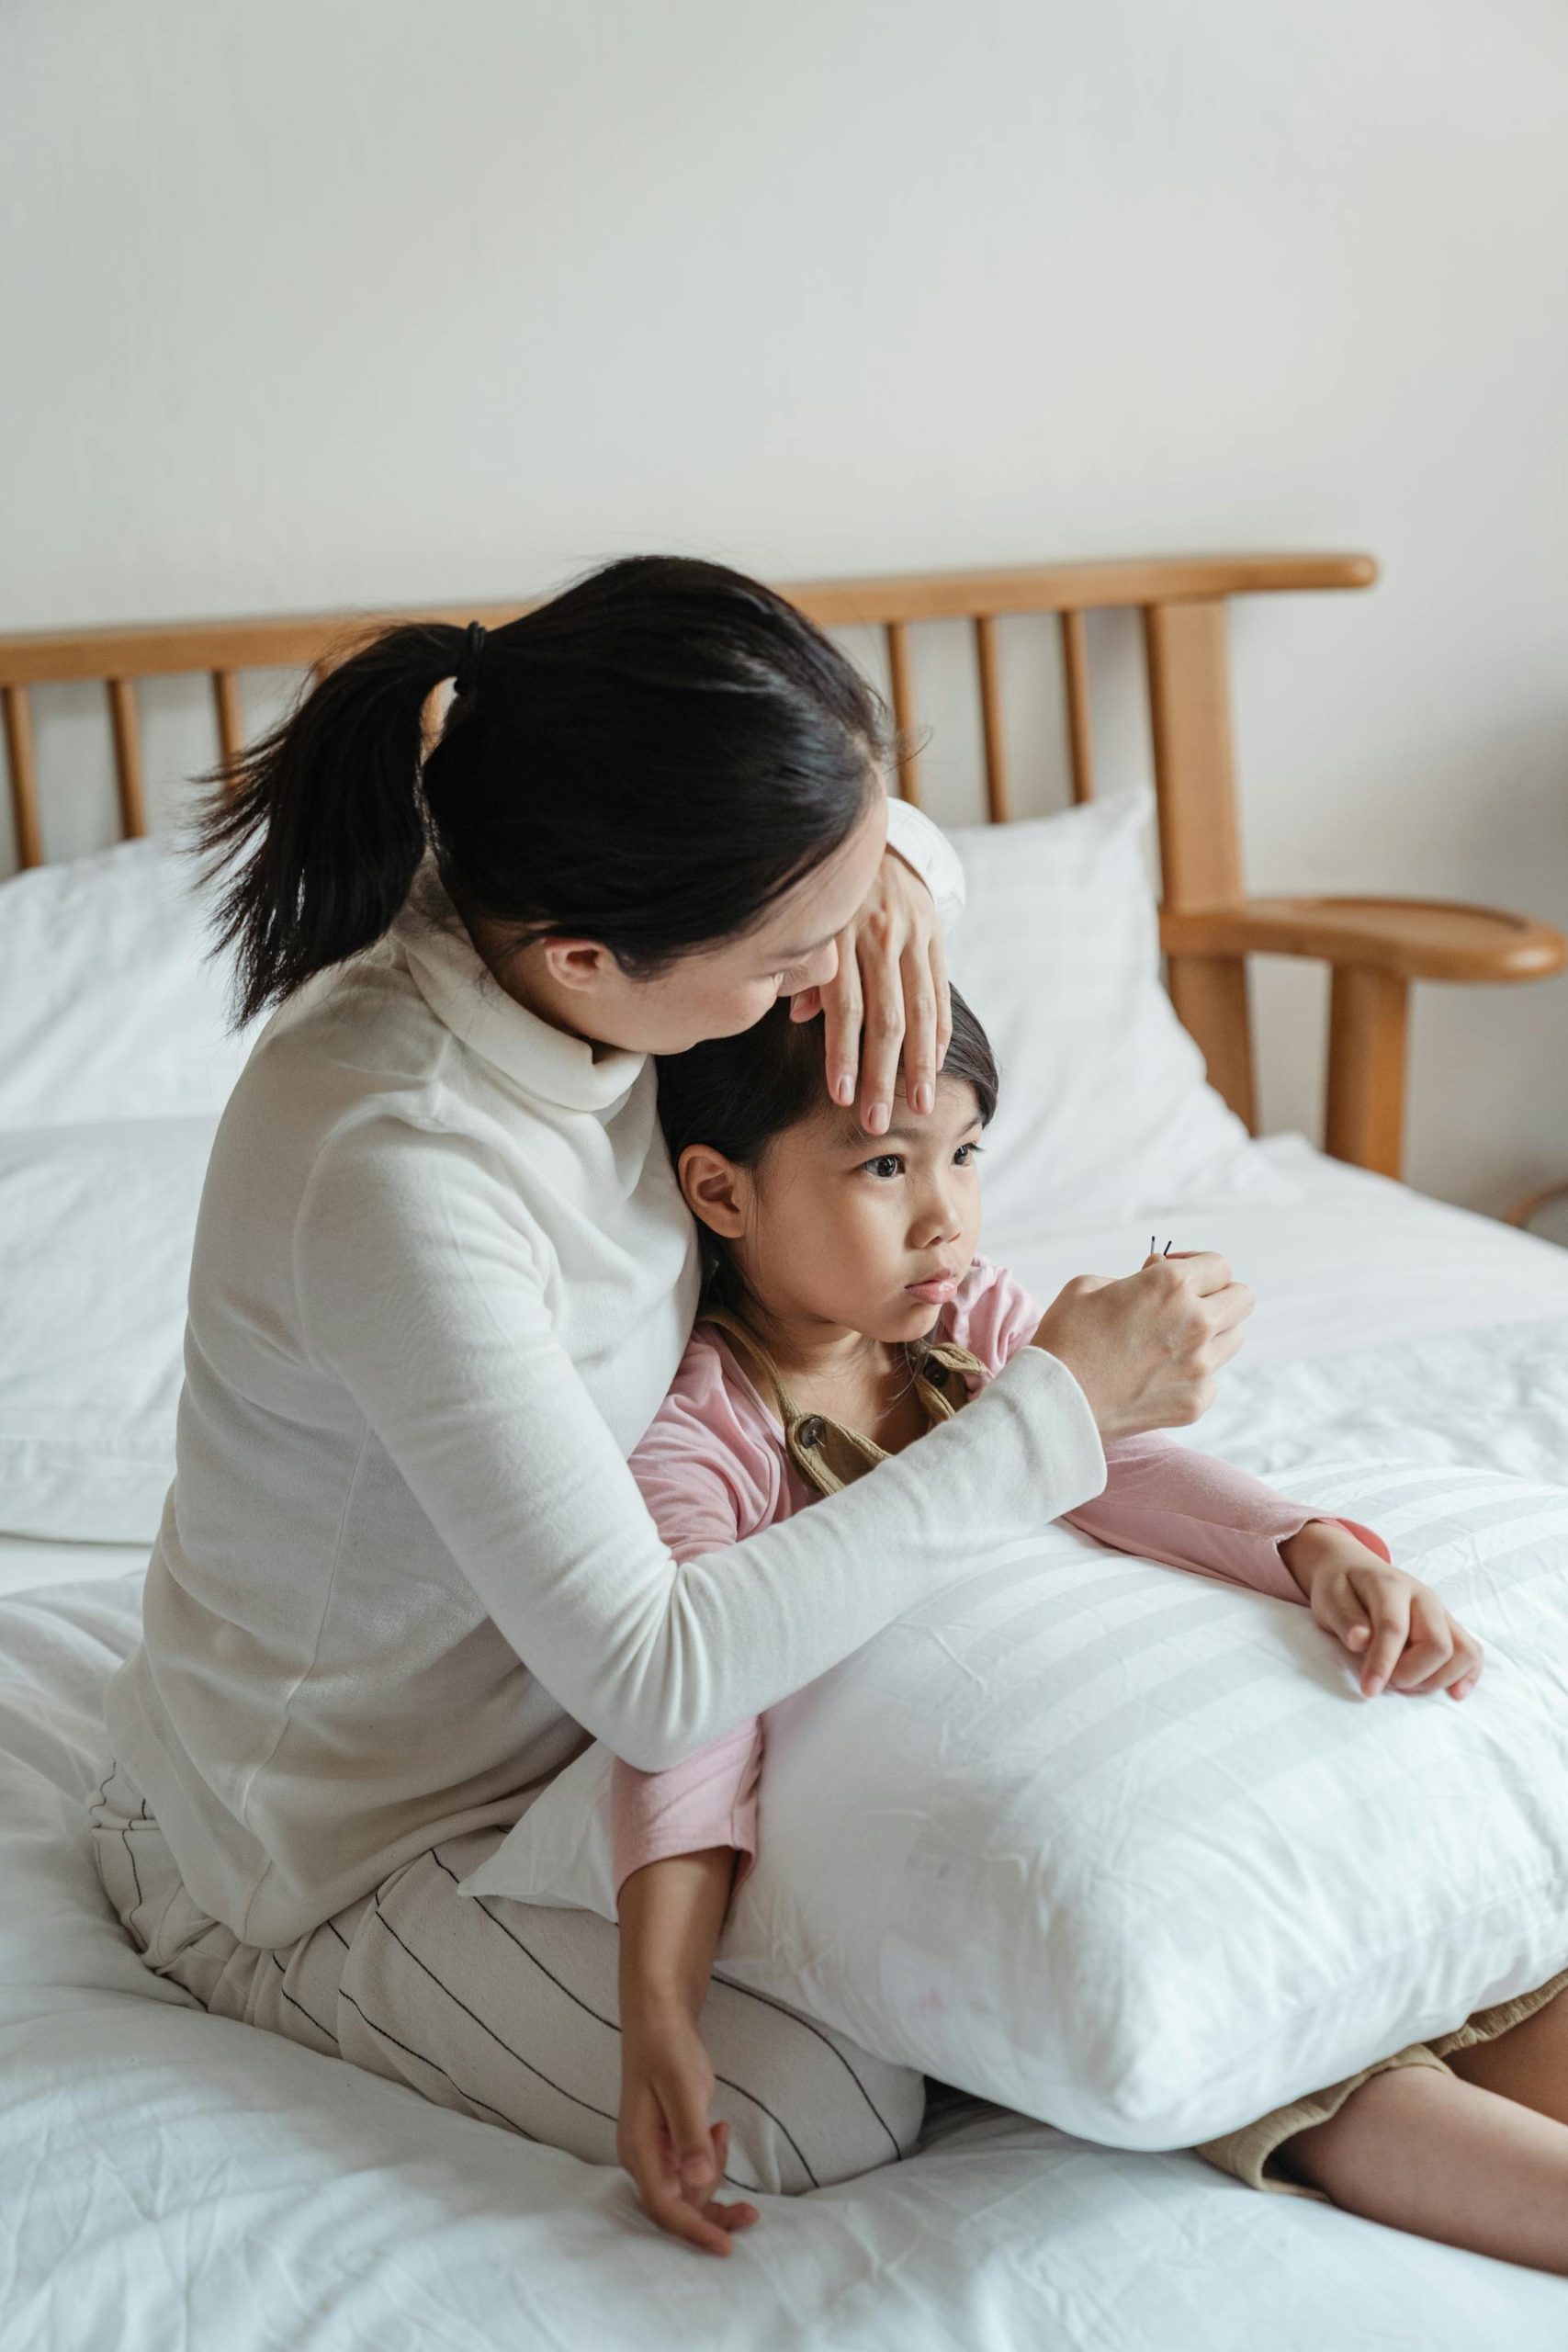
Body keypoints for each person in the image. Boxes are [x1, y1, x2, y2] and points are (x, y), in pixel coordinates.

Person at [89, 556, 1254, 2198]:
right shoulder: (400, 1163)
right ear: (591, 965)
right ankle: (218, 1920)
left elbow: (869, 875)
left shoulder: (578, 913)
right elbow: (651, 1673)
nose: (830, 982)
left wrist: (895, 869)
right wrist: (1056, 1410)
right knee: (830, 2107)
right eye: (800, 953)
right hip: (340, 1830)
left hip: (578, 1714)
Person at [603, 986, 1568, 2271]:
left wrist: (1312, 1545)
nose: (946, 1216)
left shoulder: (974, 1321)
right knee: (1330, 2080)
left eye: (964, 1154)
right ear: (722, 1193)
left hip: (1227, 1753)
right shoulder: (707, 1438)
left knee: (1494, 1970)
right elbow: (690, 1720)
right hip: (1091, 1827)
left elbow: (1122, 1460)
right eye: (886, 1166)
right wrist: (660, 2008)